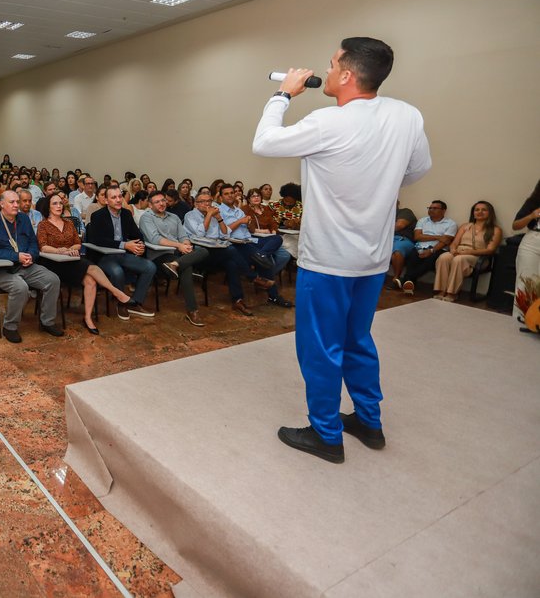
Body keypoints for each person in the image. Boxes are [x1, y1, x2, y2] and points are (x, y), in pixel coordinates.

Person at [253, 36, 431, 463]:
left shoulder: (327, 122)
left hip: (329, 259)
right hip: (372, 258)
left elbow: (264, 142)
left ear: (348, 75)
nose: (326, 71)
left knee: (320, 348)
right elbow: (419, 168)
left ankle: (326, 433)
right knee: (357, 340)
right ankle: (369, 421)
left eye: (332, 64)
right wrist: (377, 180)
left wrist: (282, 94)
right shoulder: (407, 115)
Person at [36, 195, 132, 335]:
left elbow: (78, 243)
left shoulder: (68, 223)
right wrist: (60, 251)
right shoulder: (43, 225)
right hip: (52, 263)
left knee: (91, 279)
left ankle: (87, 318)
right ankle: (116, 292)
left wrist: (71, 250)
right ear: (48, 207)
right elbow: (43, 247)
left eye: (60, 203)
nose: (59, 206)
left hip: (71, 260)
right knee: (90, 268)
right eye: (55, 203)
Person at [0, 191, 63, 343]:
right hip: (0, 271)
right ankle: (10, 327)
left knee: (53, 280)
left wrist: (31, 255)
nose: (16, 205)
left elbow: (33, 242)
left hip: (25, 266)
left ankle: (47, 322)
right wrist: (16, 256)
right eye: (12, 202)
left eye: (17, 202)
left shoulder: (23, 219)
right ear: (1, 204)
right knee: (20, 287)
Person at [184, 195, 265, 316]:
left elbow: (225, 234)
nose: (207, 204)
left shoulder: (215, 214)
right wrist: (209, 215)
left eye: (209, 201)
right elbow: (200, 234)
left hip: (217, 251)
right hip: (200, 254)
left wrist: (219, 218)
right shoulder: (190, 216)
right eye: (203, 202)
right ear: (196, 204)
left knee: (231, 263)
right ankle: (252, 277)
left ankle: (238, 300)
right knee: (231, 251)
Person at [139, 192, 209, 327]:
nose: (161, 204)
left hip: (177, 254)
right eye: (157, 202)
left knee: (203, 251)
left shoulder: (174, 217)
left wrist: (187, 245)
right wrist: (179, 245)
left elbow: (183, 236)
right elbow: (155, 239)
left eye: (163, 200)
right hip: (159, 256)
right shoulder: (146, 218)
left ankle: (175, 264)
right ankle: (192, 310)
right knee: (187, 267)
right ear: (150, 204)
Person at [87, 187, 157, 319]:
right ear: (106, 200)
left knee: (150, 267)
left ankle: (135, 302)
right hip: (104, 256)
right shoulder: (98, 215)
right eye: (114, 197)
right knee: (117, 272)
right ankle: (121, 303)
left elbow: (137, 234)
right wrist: (125, 244)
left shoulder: (126, 214)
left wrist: (140, 245)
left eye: (120, 196)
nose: (118, 200)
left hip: (122, 255)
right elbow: (98, 239)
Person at [433, 201, 502, 301]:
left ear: (490, 213)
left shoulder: (495, 230)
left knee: (459, 260)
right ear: (473, 212)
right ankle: (440, 290)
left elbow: (490, 250)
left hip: (478, 257)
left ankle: (452, 293)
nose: (480, 212)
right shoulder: (465, 226)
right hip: (459, 252)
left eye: (484, 210)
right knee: (444, 257)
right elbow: (454, 243)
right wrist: (452, 250)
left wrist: (467, 252)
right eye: (477, 210)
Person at [400, 200, 458, 295]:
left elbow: (445, 241)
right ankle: (409, 283)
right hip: (420, 247)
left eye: (435, 208)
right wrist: (438, 236)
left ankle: (407, 280)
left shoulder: (451, 224)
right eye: (430, 208)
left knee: (430, 260)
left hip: (437, 249)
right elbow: (417, 237)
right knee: (412, 256)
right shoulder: (423, 220)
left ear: (443, 211)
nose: (431, 210)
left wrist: (431, 250)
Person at [511, 179, 540, 324]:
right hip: (532, 240)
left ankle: (536, 322)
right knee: (524, 282)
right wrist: (532, 216)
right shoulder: (533, 202)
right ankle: (520, 319)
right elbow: (515, 225)